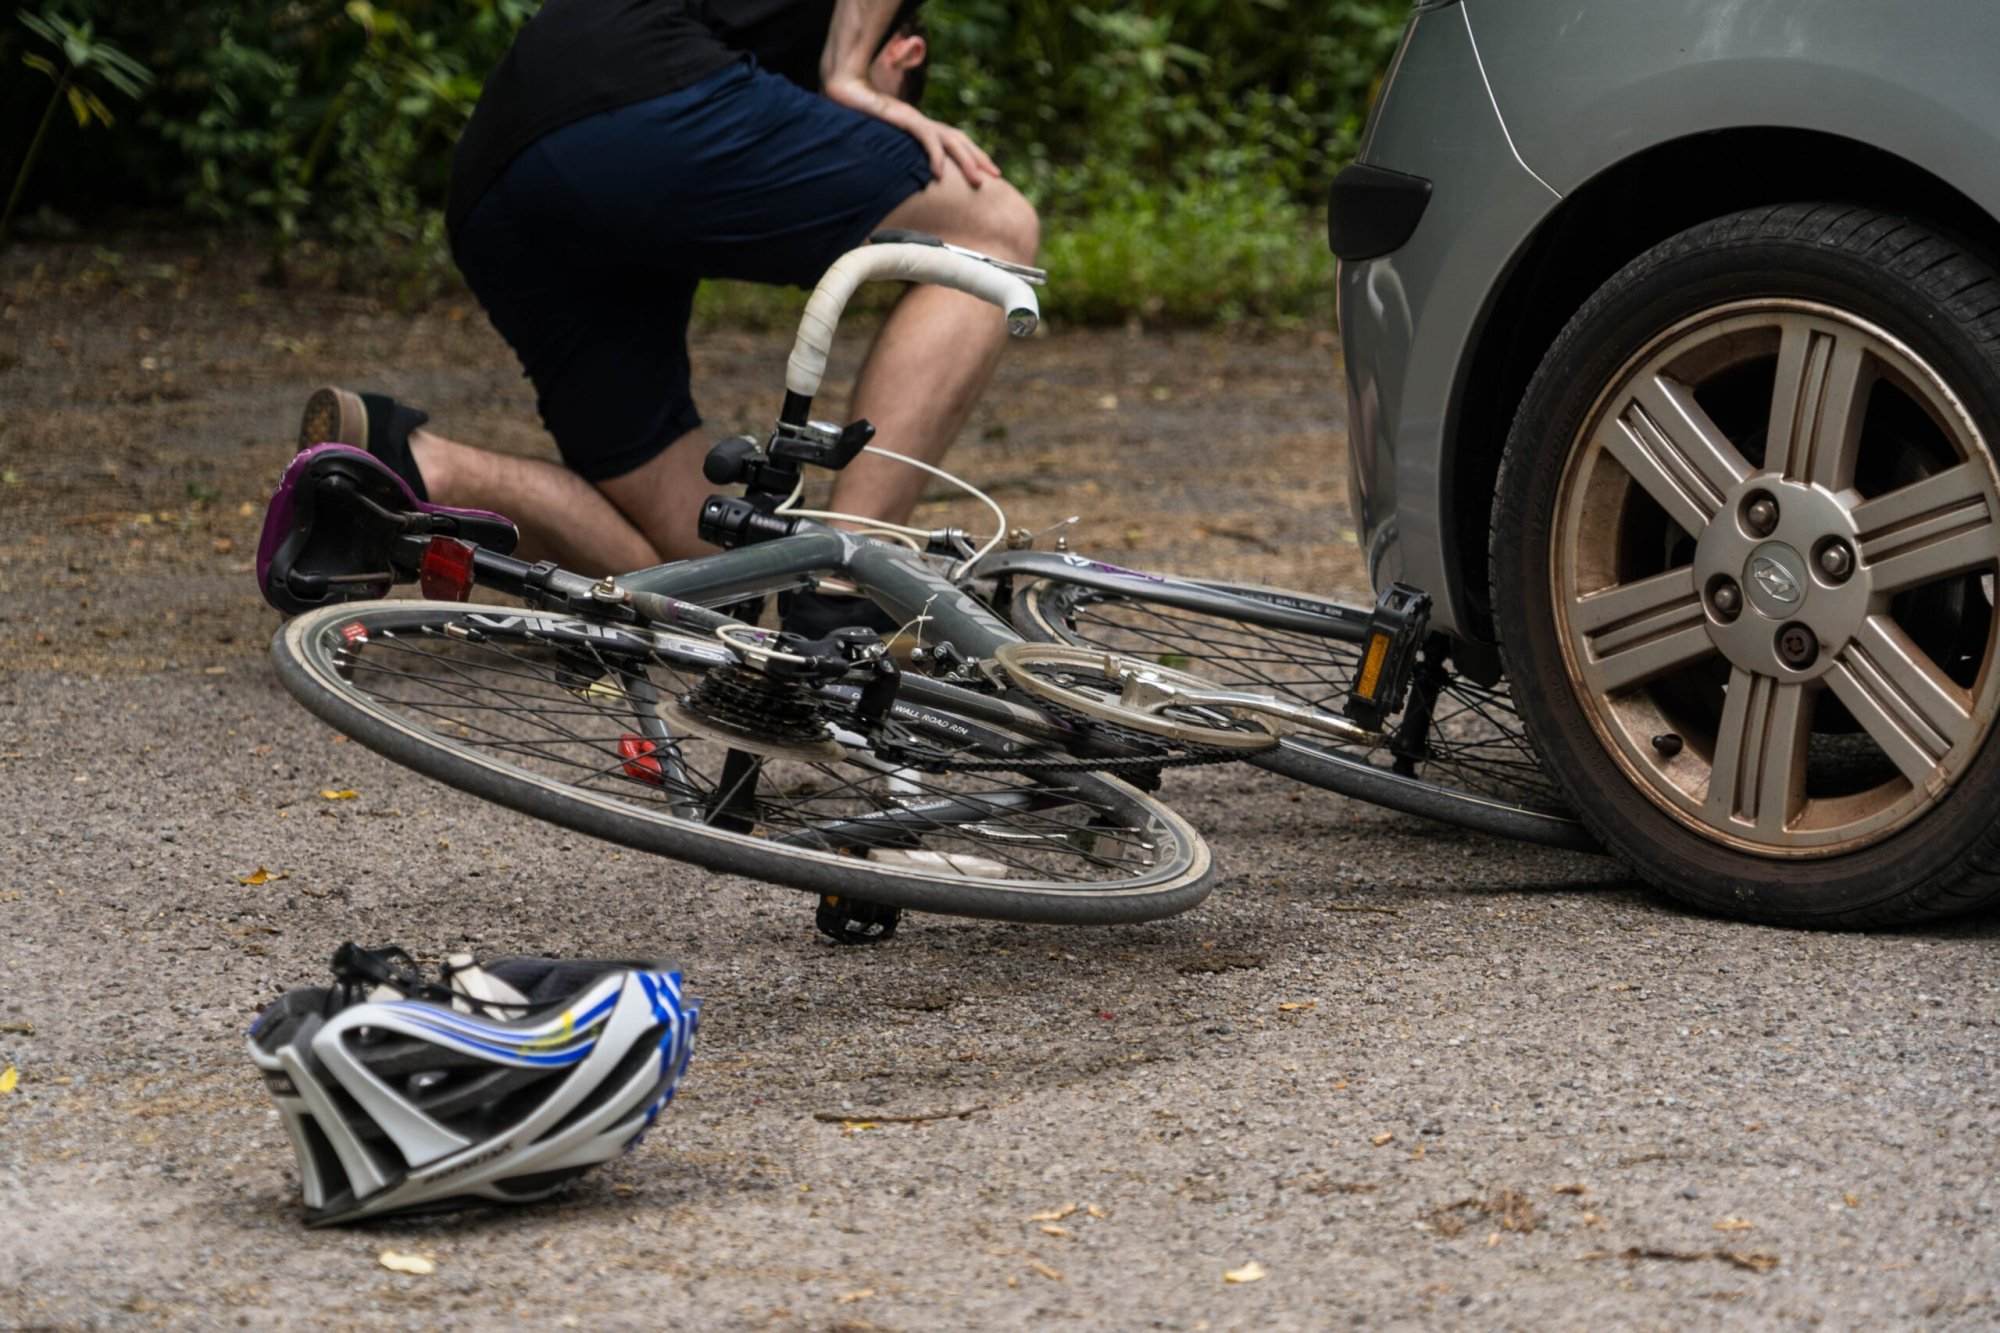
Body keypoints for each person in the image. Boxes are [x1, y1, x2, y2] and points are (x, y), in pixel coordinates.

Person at [299, 0, 1038, 616]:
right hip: (647, 95)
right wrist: (851, 73)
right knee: (990, 229)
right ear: (903, 53)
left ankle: (410, 465)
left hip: (498, 184)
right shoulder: (843, 39)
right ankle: (848, 585)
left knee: (717, 580)